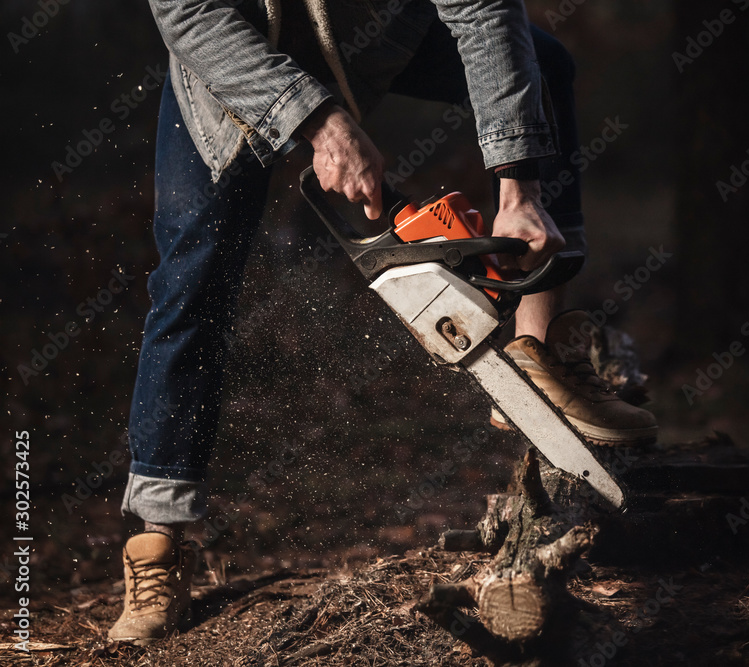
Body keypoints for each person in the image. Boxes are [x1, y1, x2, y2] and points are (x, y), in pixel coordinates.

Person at [109, 0, 658, 644]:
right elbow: (190, 13)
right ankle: (158, 540)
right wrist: (320, 121)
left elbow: (484, 11)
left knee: (546, 64)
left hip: (366, 40)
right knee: (192, 281)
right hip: (230, 60)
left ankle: (538, 351)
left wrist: (519, 190)